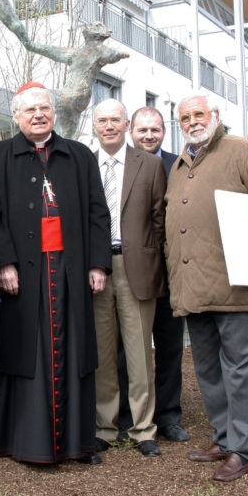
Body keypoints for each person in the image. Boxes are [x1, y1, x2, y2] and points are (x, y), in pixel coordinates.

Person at [0, 82, 111, 465]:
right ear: (16, 116)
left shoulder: (79, 155)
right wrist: (4, 262)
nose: (38, 115)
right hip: (24, 273)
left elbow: (97, 213)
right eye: (30, 110)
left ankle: (77, 442)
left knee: (74, 350)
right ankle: (24, 440)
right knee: (27, 352)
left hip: (70, 271)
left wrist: (98, 264)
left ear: (54, 113)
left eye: (44, 109)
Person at [165, 94, 248, 482]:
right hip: (196, 288)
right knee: (208, 370)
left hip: (238, 286)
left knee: (241, 370)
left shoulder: (245, 153)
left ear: (216, 116)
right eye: (184, 117)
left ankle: (243, 449)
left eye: (198, 114)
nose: (191, 121)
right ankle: (224, 437)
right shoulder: (180, 164)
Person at [90, 99, 167, 458]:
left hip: (136, 267)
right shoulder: (84, 164)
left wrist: (153, 262)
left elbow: (159, 219)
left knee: (139, 354)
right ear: (95, 126)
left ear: (126, 125)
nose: (109, 126)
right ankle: (105, 427)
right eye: (102, 120)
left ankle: (142, 429)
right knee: (103, 354)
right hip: (96, 269)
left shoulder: (150, 165)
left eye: (115, 120)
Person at [126, 105, 189, 443]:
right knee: (126, 348)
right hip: (132, 272)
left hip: (170, 273)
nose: (148, 135)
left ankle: (168, 416)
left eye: (155, 129)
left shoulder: (177, 166)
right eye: (142, 130)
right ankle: (128, 415)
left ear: (164, 132)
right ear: (131, 131)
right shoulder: (117, 165)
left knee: (169, 346)